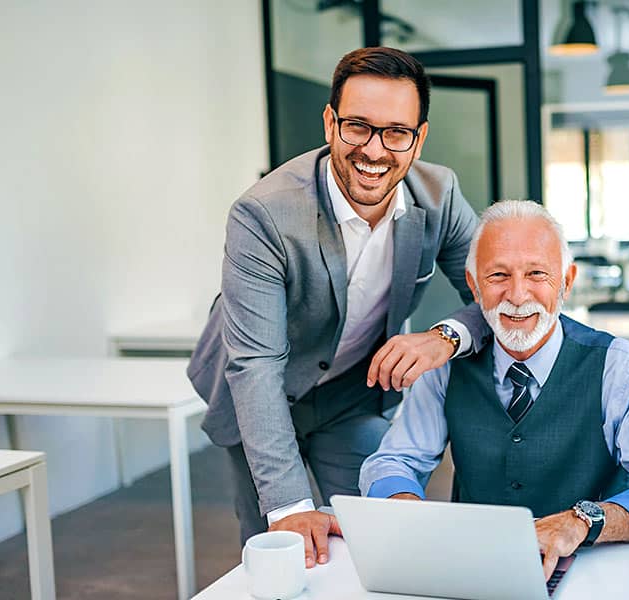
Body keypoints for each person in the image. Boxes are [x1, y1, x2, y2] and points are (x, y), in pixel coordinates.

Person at [186, 47, 488, 566]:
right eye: (358, 126)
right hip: (257, 392)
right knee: (278, 551)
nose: (375, 150)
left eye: (397, 132)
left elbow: (498, 295)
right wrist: (289, 507)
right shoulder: (264, 214)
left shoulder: (439, 195)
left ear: (419, 139)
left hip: (350, 394)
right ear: (330, 122)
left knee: (380, 534)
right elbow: (255, 365)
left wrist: (444, 337)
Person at [359, 200, 629, 579]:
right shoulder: (445, 368)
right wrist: (403, 505)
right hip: (478, 572)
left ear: (566, 281)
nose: (517, 294)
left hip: (597, 573)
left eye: (536, 274)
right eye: (498, 276)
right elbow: (392, 461)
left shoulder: (621, 368)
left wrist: (584, 522)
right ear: (473, 285)